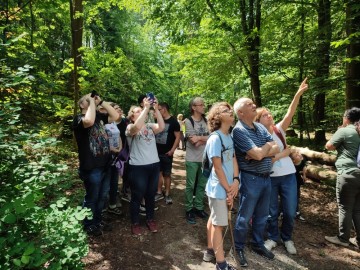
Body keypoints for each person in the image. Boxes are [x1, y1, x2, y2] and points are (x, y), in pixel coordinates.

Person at [256, 78, 308, 255]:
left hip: (288, 177)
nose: (269, 116)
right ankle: (272, 238)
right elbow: (262, 159)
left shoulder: (279, 129)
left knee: (290, 211)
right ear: (258, 120)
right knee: (271, 211)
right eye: (264, 115)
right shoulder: (257, 138)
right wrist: (282, 154)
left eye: (269, 113)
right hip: (270, 178)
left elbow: (289, 113)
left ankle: (287, 238)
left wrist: (297, 94)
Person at [232, 97, 280, 267]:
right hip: (250, 178)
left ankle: (257, 244)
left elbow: (276, 147)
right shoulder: (239, 131)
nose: (254, 106)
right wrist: (262, 151)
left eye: (253, 103)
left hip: (267, 177)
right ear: (240, 112)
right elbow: (261, 153)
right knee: (245, 217)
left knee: (262, 215)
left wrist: (260, 151)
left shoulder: (259, 126)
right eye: (249, 105)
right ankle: (238, 247)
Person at [73, 92, 120, 236]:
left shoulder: (100, 117)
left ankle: (98, 221)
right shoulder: (78, 119)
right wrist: (91, 102)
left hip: (105, 164)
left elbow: (116, 117)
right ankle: (88, 224)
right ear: (82, 104)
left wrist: (102, 102)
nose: (91, 100)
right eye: (87, 99)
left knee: (102, 196)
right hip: (91, 167)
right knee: (92, 197)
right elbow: (89, 122)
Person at [202, 102, 239, 270]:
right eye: (226, 110)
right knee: (219, 224)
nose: (231, 112)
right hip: (218, 189)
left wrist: (236, 180)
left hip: (227, 186)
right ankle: (221, 263)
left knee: (214, 219)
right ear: (217, 117)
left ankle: (210, 251)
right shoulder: (215, 138)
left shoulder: (228, 136)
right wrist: (228, 189)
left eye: (230, 109)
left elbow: (233, 159)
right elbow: (217, 168)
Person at [126, 96, 165, 235]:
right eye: (137, 111)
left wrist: (155, 108)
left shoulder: (149, 126)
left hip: (154, 165)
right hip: (138, 167)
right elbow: (136, 127)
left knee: (150, 194)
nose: (140, 111)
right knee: (137, 195)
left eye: (140, 110)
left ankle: (150, 219)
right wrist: (146, 108)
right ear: (132, 116)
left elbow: (161, 126)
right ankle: (135, 222)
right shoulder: (130, 127)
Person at [324, 107, 360, 248]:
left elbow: (329, 146)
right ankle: (358, 240)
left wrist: (340, 130)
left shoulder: (345, 130)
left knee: (345, 207)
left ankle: (343, 238)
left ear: (346, 118)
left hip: (348, 173)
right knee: (357, 209)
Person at [184, 97, 210, 224]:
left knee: (201, 185)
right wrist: (204, 139)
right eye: (201, 104)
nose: (203, 106)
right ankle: (189, 209)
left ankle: (199, 207)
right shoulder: (188, 121)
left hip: (205, 158)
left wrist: (199, 138)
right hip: (192, 159)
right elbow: (193, 142)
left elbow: (213, 136)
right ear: (194, 107)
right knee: (190, 185)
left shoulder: (207, 120)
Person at [155, 102, 181, 204]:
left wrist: (172, 150)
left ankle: (167, 194)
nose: (158, 111)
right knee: (158, 173)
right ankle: (158, 192)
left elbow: (178, 137)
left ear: (164, 109)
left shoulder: (174, 122)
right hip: (156, 152)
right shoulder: (157, 120)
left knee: (167, 174)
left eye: (159, 109)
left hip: (167, 153)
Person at [289, 149, 307, 221]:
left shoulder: (302, 162)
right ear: (293, 160)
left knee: (297, 197)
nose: (299, 155)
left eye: (299, 154)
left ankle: (296, 212)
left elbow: (304, 167)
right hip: (291, 182)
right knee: (288, 197)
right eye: (296, 155)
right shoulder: (291, 165)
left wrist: (304, 175)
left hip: (298, 182)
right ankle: (282, 212)